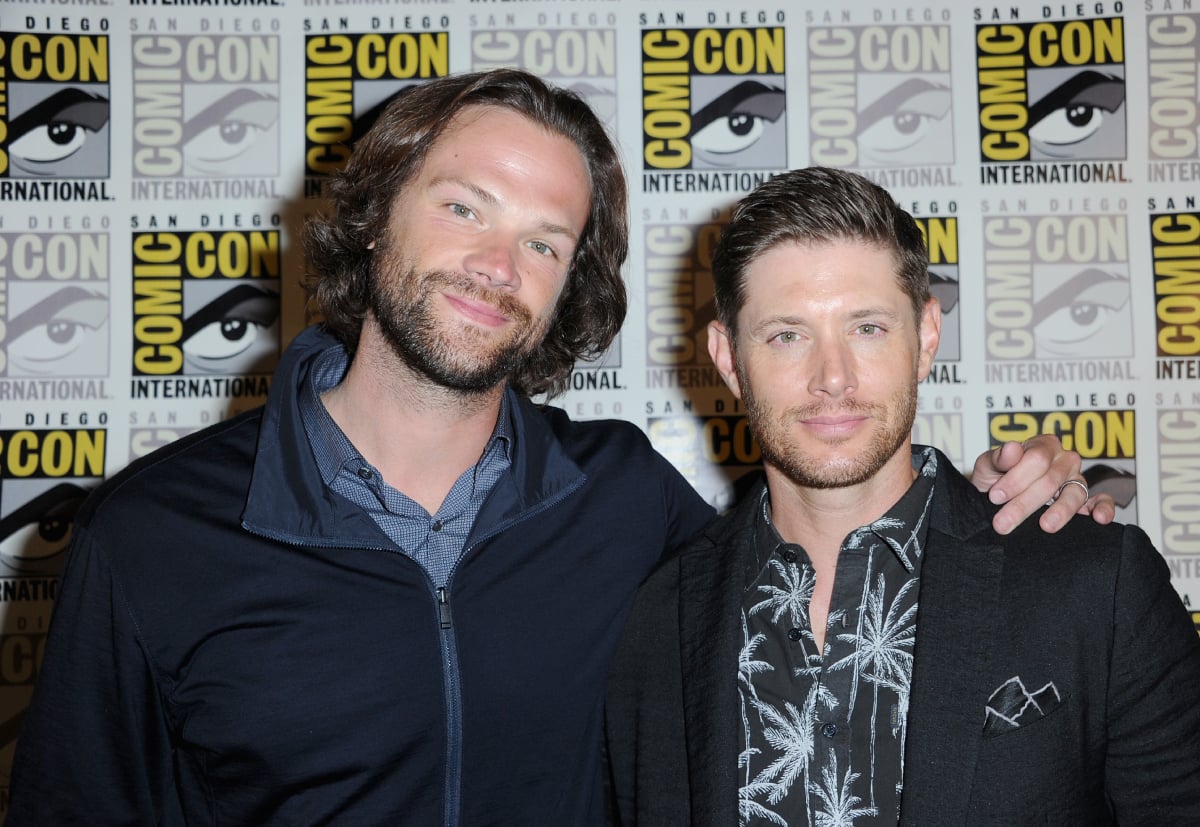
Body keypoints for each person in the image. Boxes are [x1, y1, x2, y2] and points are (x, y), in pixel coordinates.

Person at [8, 74, 1105, 826]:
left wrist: (1008, 499)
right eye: (465, 208)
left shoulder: (623, 497)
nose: (499, 266)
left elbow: (827, 537)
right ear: (377, 213)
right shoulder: (153, 537)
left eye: (544, 241)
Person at [604, 167, 1200, 826]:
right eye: (787, 335)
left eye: (867, 328)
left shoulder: (1095, 583)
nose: (833, 377)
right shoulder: (657, 621)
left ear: (927, 337)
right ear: (727, 358)